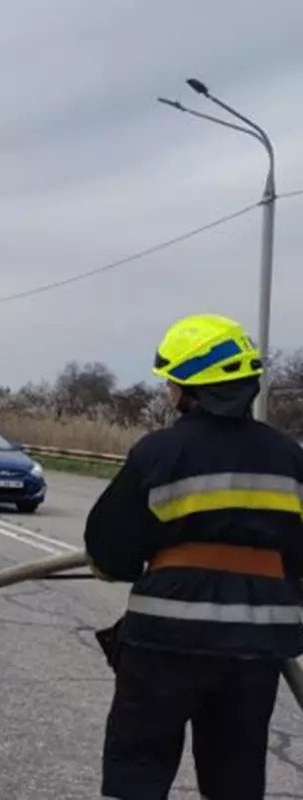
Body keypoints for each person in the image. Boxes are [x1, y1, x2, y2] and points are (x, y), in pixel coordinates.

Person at [85, 314, 303, 800]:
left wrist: (130, 567)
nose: (167, 391)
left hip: (166, 643)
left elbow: (108, 550)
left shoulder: (161, 453)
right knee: (235, 778)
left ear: (192, 388)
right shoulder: (291, 459)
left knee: (138, 768)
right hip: (254, 650)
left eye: (171, 381)